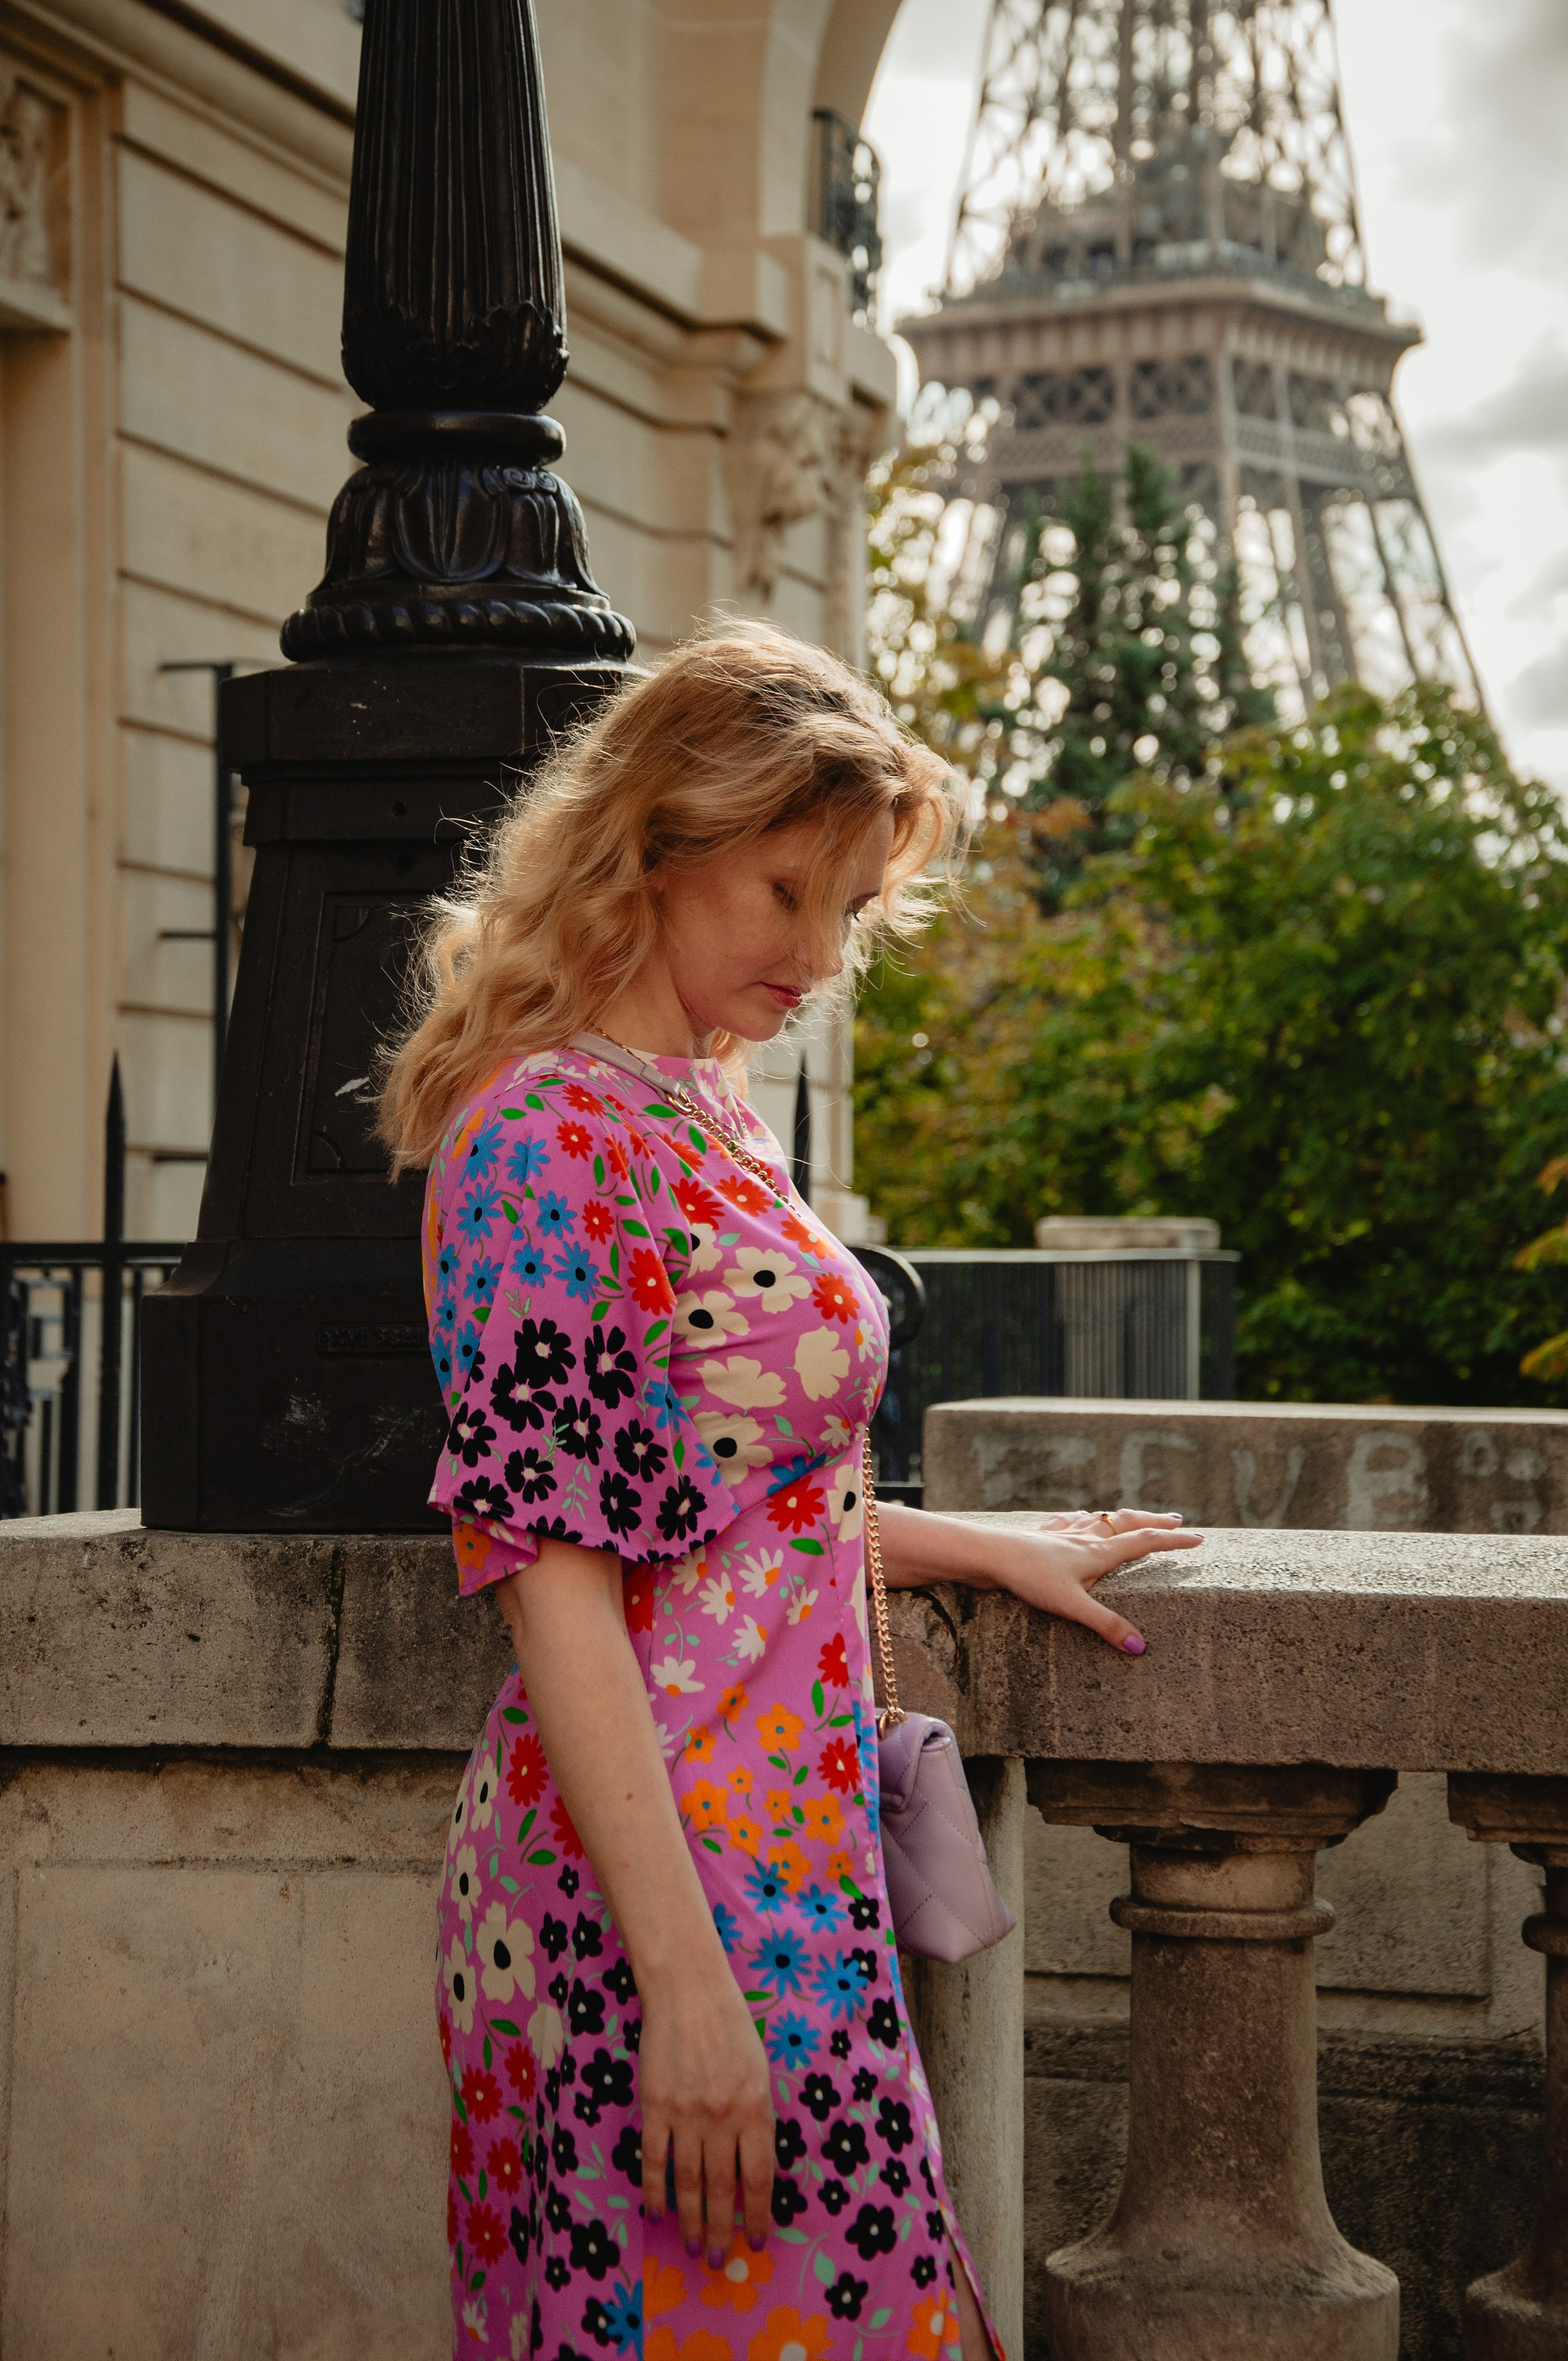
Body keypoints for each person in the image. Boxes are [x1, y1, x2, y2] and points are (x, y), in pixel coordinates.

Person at [380, 625, 1202, 2361]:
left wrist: (982, 1541)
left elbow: (723, 1500)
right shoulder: (540, 1138)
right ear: (652, 847)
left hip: (782, 1866)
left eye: (850, 909)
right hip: (653, 1903)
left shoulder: (704, 1106)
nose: (823, 956)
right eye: (784, 893)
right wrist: (685, 1989)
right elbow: (557, 1568)